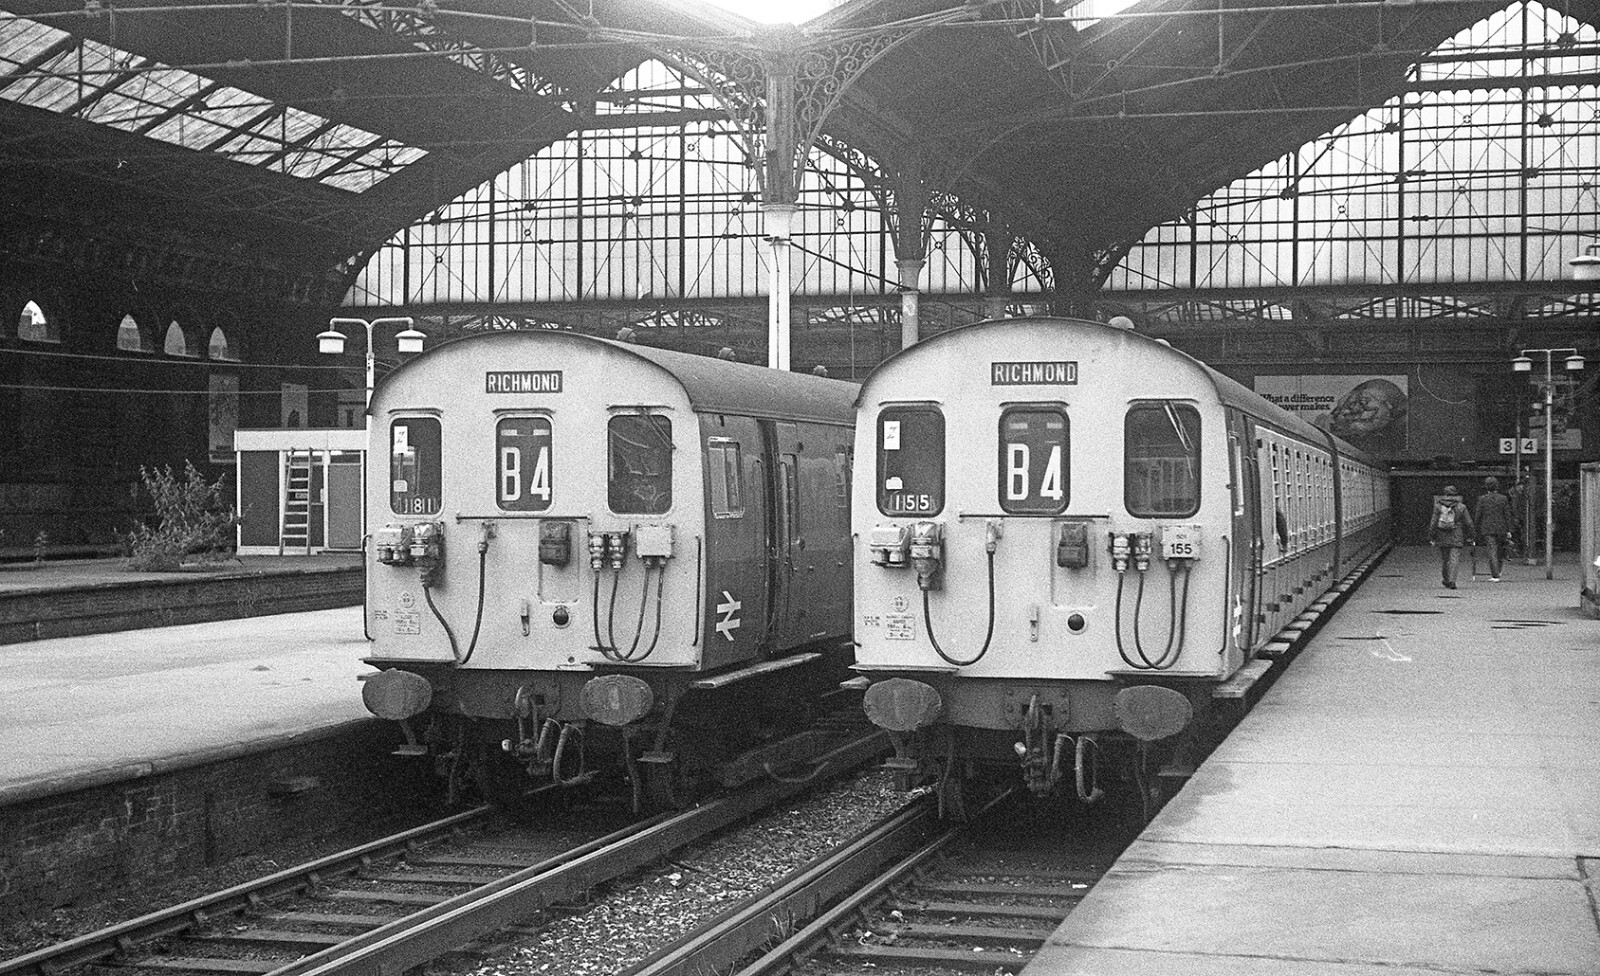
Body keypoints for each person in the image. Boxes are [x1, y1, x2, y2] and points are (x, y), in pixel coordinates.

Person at [1428, 485, 1474, 589]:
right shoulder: (1461, 507)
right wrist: (1472, 535)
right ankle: (1453, 581)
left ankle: (1446, 579)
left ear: (1445, 494)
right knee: (1454, 559)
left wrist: (1431, 536)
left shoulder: (1438, 506)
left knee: (1445, 559)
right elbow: (1469, 523)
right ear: (1456, 495)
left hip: (1442, 534)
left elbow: (1433, 522)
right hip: (1456, 535)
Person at [1473, 477, 1511, 581]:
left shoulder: (1482, 499)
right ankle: (1498, 570)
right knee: (1500, 551)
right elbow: (1507, 515)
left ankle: (1495, 575)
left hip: (1487, 528)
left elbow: (1478, 515)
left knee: (1492, 550)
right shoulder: (1503, 498)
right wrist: (1509, 530)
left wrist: (1475, 528)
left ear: (1486, 487)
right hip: (1501, 528)